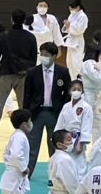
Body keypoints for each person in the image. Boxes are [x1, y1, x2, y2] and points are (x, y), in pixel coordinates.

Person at [23, 41, 71, 177]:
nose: (43, 57)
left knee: (55, 145)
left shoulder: (63, 72)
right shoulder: (32, 72)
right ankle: (27, 173)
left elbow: (68, 93)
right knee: (32, 145)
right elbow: (27, 95)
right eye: (41, 54)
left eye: (46, 54)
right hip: (36, 113)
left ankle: (55, 174)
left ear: (54, 56)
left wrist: (63, 110)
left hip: (55, 113)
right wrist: (26, 114)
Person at [0, 9, 37, 135]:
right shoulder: (31, 37)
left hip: (6, 72)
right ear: (24, 20)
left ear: (11, 19)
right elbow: (33, 59)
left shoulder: (3, 36)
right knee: (23, 105)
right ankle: (25, 128)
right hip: (23, 74)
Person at [55, 78, 94, 169]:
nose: (76, 91)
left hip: (78, 137)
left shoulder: (86, 107)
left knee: (79, 163)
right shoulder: (66, 106)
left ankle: (80, 177)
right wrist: (57, 137)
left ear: (82, 91)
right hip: (65, 137)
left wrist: (81, 142)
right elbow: (60, 123)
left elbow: (86, 126)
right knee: (66, 163)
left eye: (79, 89)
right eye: (74, 89)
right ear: (70, 92)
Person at [63, 0, 89, 79]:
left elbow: (80, 30)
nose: (71, 10)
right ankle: (72, 80)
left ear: (78, 7)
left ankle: (80, 80)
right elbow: (66, 29)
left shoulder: (83, 16)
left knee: (76, 63)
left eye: (72, 8)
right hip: (70, 42)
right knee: (69, 63)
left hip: (77, 42)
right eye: (70, 9)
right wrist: (66, 26)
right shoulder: (71, 15)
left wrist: (69, 25)